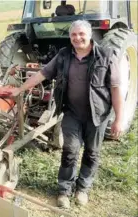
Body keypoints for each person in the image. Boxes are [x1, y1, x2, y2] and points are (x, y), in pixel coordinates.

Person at [10, 20, 123, 208]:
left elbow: (116, 88)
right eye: (73, 35)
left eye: (81, 34)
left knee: (92, 153)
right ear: (70, 37)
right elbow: (42, 74)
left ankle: (83, 189)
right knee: (70, 150)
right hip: (72, 112)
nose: (77, 38)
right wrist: (20, 89)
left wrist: (118, 119)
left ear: (89, 35)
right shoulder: (63, 56)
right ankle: (64, 189)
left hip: (98, 115)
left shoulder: (106, 55)